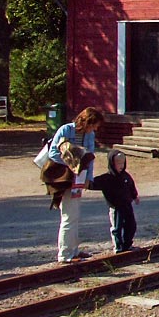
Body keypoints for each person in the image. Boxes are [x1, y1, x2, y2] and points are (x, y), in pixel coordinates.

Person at [43, 107, 104, 263]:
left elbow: (90, 157)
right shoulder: (65, 130)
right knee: (69, 215)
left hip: (78, 178)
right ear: (86, 122)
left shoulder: (89, 135)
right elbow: (54, 153)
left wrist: (88, 178)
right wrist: (73, 162)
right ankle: (65, 254)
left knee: (75, 214)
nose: (95, 128)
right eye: (94, 124)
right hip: (64, 178)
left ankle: (74, 249)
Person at [89, 150, 140, 254]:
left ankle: (127, 244)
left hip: (127, 205)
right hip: (116, 207)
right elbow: (93, 184)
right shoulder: (106, 178)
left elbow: (131, 187)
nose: (121, 165)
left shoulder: (126, 176)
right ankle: (118, 246)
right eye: (118, 163)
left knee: (131, 225)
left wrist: (135, 196)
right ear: (112, 163)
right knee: (117, 227)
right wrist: (85, 183)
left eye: (123, 163)